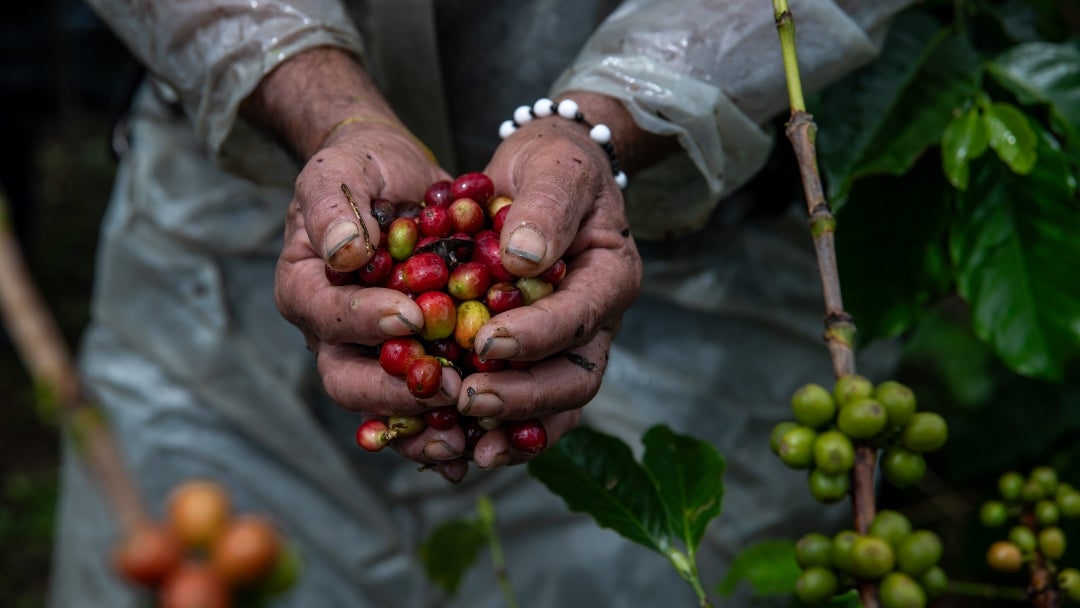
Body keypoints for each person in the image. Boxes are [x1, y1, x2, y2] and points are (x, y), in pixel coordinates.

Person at [49, 1, 912, 606]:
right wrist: (328, 113)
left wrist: (605, 124)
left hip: (697, 252)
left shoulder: (461, 269)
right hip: (232, 211)